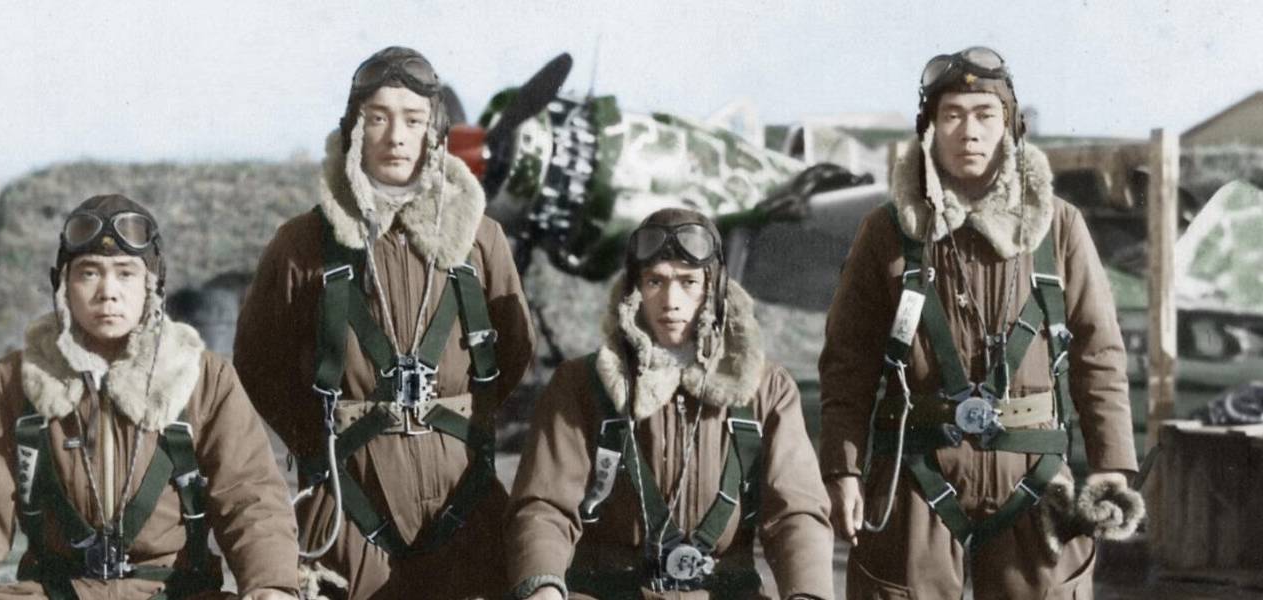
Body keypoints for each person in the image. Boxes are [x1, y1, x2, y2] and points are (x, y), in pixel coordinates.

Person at [819, 47, 1145, 598]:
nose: (968, 131)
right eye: (952, 114)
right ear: (929, 127)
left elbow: (1099, 354)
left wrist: (1113, 464)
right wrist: (843, 469)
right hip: (916, 471)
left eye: (984, 114)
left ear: (1010, 126)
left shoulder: (1060, 228)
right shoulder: (887, 232)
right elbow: (847, 364)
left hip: (1035, 474)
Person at [233, 46, 535, 599]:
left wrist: (459, 427)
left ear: (434, 133)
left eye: (413, 120)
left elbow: (513, 352)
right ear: (354, 129)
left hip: (464, 504)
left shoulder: (480, 240)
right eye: (378, 118)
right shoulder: (301, 245)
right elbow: (258, 363)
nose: (396, 136)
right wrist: (320, 444)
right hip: (347, 507)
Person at [0, 194, 299, 600]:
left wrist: (271, 585)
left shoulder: (205, 378)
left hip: (176, 592)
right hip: (55, 591)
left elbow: (251, 498)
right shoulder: (14, 381)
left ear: (152, 284)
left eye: (125, 273)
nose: (108, 292)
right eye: (88, 273)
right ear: (62, 284)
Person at [506, 208, 834, 600]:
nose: (671, 301)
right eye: (655, 281)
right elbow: (544, 507)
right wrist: (543, 585)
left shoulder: (766, 389)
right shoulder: (581, 385)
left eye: (688, 282)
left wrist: (807, 593)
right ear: (634, 290)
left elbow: (796, 512)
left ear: (714, 289)